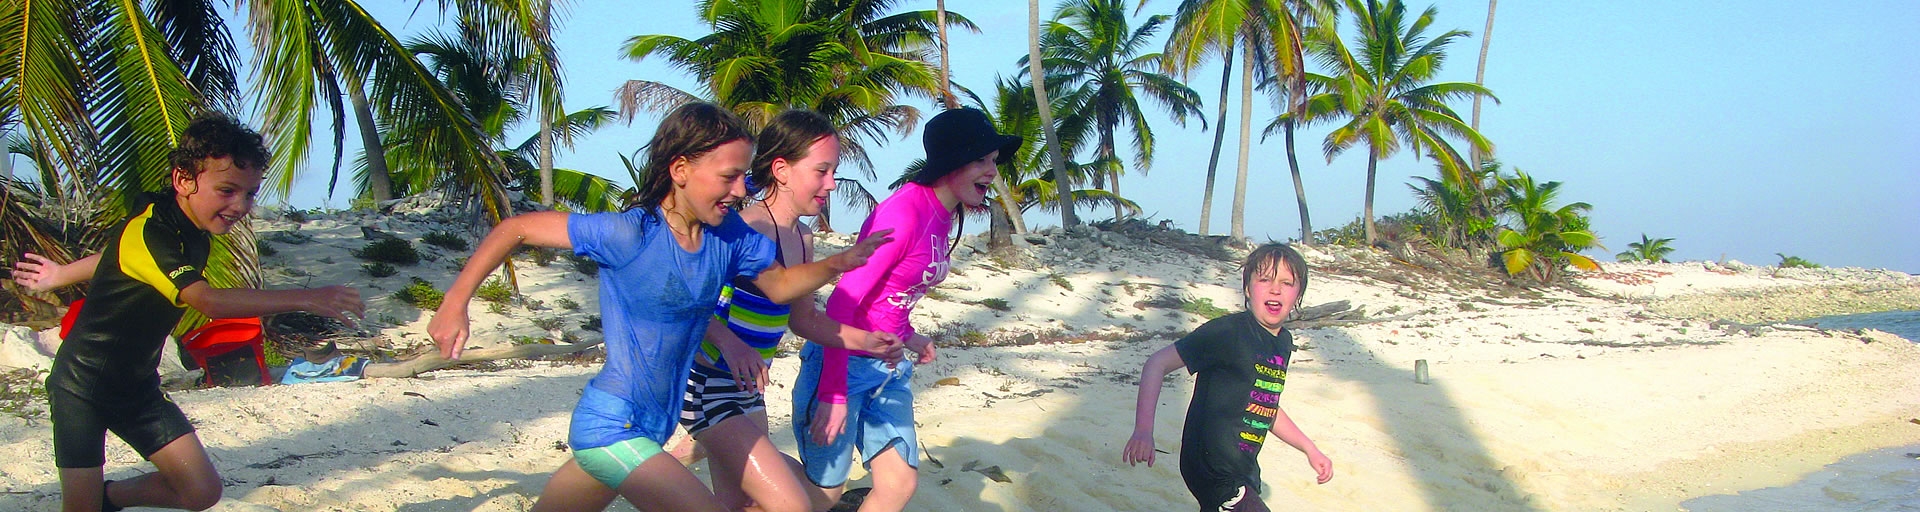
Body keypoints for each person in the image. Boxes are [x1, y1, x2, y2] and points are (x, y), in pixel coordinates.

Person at [425, 103, 896, 512]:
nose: (738, 190)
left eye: (741, 175)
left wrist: (839, 263)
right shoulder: (629, 233)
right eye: (728, 176)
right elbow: (518, 228)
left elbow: (779, 287)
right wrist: (455, 301)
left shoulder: (728, 236)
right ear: (680, 169)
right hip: (611, 425)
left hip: (653, 426)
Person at [10, 114, 365, 512]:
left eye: (250, 194)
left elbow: (118, 256)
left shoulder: (186, 227)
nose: (240, 206)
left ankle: (109, 498)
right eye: (227, 190)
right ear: (184, 179)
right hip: (81, 385)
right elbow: (207, 301)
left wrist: (60, 273)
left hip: (136, 387)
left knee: (201, 492)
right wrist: (305, 297)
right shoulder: (154, 230)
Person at [789, 107, 1011, 511]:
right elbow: (843, 301)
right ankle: (744, 469)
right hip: (840, 364)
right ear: (951, 163)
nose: (992, 171)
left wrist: (910, 336)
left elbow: (891, 294)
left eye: (994, 161)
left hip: (887, 368)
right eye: (981, 160)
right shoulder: (904, 212)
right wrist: (834, 393)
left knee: (899, 484)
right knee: (821, 496)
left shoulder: (944, 216)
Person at [1122, 243, 1335, 512]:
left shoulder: (1282, 343)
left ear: (1298, 294)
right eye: (1264, 279)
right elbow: (1157, 363)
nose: (1275, 289)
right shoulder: (1227, 333)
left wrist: (1309, 448)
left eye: (1286, 283)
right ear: (1247, 289)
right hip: (1214, 471)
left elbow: (1265, 406)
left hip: (1244, 472)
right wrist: (1143, 430)